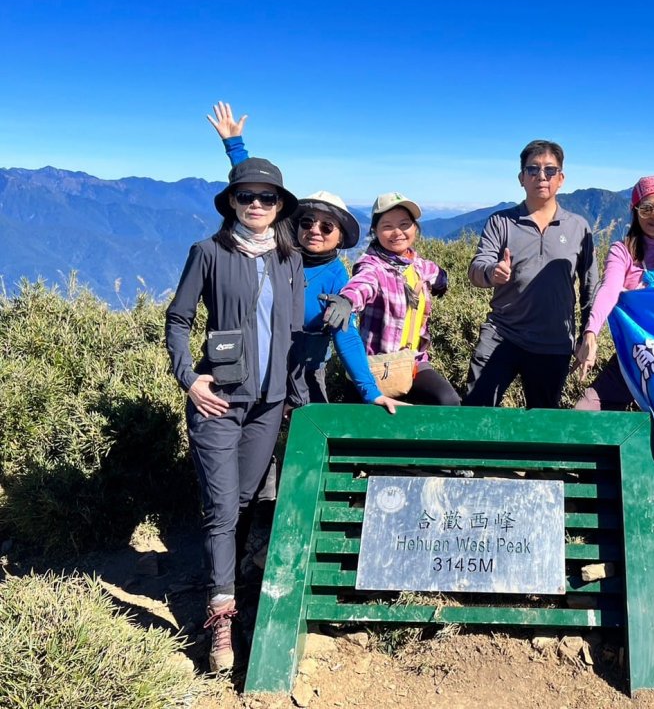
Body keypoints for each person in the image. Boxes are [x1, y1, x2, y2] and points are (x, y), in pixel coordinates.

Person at [165, 156, 307, 672]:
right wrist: (190, 377)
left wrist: (298, 397)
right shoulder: (207, 252)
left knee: (245, 501)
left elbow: (292, 330)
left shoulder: (288, 257)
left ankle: (232, 588)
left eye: (267, 198)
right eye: (245, 196)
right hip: (218, 401)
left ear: (279, 207)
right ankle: (220, 618)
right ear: (230, 201)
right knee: (223, 509)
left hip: (269, 404)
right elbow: (178, 319)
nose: (256, 204)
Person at [207, 101, 402, 413]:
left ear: (340, 237)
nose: (315, 230)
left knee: (309, 433)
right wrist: (234, 144)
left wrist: (371, 392)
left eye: (327, 226)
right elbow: (255, 193)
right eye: (307, 222)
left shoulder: (338, 277)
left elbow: (346, 335)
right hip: (259, 364)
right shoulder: (280, 249)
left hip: (307, 372)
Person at [464, 140, 599, 409]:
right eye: (533, 169)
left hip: (554, 342)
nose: (541, 176)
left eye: (550, 170)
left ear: (561, 179)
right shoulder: (501, 222)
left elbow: (590, 288)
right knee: (475, 410)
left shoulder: (578, 227)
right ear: (521, 178)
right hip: (502, 334)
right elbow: (476, 270)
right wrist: (493, 272)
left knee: (542, 422)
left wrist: (589, 335)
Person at [573, 176, 654, 410]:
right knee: (585, 410)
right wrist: (591, 332)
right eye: (646, 208)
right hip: (636, 354)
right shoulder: (622, 251)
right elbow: (609, 290)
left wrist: (635, 297)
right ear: (635, 210)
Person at [323, 192, 461, 406]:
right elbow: (362, 284)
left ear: (415, 228)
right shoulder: (373, 267)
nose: (397, 232)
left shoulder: (418, 265)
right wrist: (347, 301)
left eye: (404, 224)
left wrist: (443, 280)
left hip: (413, 361)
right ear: (375, 231)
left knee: (448, 402)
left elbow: (435, 273)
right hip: (377, 365)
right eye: (387, 226)